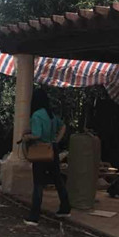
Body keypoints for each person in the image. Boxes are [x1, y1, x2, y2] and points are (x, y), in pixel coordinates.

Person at [24, 88, 70, 225]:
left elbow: (37, 134)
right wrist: (56, 140)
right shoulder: (51, 115)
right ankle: (65, 208)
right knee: (58, 179)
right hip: (52, 149)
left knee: (38, 183)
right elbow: (63, 126)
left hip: (41, 151)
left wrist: (27, 137)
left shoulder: (36, 115)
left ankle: (34, 216)